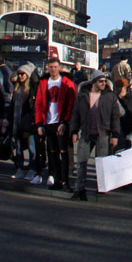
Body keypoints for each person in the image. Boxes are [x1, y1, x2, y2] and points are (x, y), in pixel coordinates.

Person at [69, 71, 122, 201]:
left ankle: (101, 189)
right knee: (82, 161)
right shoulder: (83, 96)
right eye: (100, 81)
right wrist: (74, 131)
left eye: (104, 81)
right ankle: (79, 189)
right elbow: (75, 114)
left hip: (103, 133)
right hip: (86, 133)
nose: (103, 84)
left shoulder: (110, 96)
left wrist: (115, 135)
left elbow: (115, 117)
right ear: (94, 82)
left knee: (101, 163)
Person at [33, 58, 77, 189]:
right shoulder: (43, 83)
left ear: (59, 68)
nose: (53, 69)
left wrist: (65, 122)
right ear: (47, 68)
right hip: (48, 122)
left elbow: (71, 104)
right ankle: (57, 180)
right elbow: (39, 104)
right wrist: (39, 124)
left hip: (61, 122)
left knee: (63, 152)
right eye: (51, 67)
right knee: (52, 153)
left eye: (55, 67)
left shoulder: (66, 83)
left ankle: (65, 181)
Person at [9, 64, 37, 180]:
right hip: (16, 121)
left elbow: (33, 107)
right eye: (19, 74)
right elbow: (12, 106)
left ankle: (32, 169)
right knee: (19, 147)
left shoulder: (31, 89)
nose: (20, 76)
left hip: (28, 123)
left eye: (23, 74)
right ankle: (19, 169)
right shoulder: (16, 88)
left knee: (31, 147)